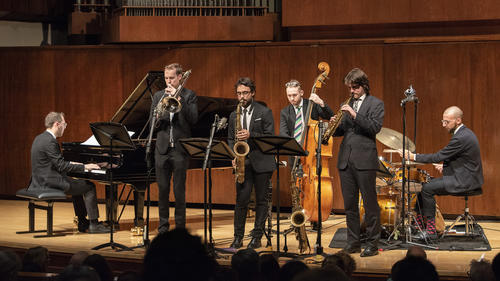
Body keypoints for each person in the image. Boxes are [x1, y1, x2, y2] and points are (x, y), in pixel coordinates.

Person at [399, 106, 483, 240]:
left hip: (465, 181)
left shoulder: (461, 137)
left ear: (458, 120)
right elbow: (463, 160)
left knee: (427, 189)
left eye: (447, 122)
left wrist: (413, 157)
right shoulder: (464, 133)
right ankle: (420, 225)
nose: (444, 125)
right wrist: (445, 167)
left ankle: (431, 231)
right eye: (442, 121)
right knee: (424, 186)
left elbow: (439, 156)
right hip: (465, 176)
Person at [328, 68, 384, 257]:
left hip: (365, 160)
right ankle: (353, 242)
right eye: (350, 88)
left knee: (370, 204)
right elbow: (341, 132)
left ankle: (372, 244)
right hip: (345, 160)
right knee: (350, 205)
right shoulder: (347, 103)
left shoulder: (376, 103)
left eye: (355, 87)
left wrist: (353, 114)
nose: (351, 91)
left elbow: (374, 127)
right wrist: (334, 124)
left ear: (364, 86)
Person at [29, 112, 109, 233]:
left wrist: (79, 164)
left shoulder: (40, 138)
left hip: (38, 181)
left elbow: (56, 162)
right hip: (50, 183)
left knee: (78, 184)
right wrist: (85, 167)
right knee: (89, 187)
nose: (65, 127)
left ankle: (82, 222)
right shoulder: (51, 141)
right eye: (64, 124)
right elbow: (61, 165)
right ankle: (94, 224)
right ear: (57, 124)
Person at [227, 77, 275, 249]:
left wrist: (251, 135)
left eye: (245, 93)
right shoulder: (234, 114)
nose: (242, 96)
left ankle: (257, 237)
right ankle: (237, 237)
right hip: (243, 162)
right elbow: (231, 138)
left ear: (253, 93)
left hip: (262, 161)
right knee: (241, 201)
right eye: (239, 93)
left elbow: (270, 137)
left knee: (261, 201)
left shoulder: (264, 112)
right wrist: (234, 154)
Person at [150, 63, 198, 233]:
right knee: (162, 190)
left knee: (179, 192)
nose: (168, 82)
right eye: (166, 78)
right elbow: (152, 124)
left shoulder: (189, 95)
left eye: (171, 78)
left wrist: (180, 100)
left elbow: (193, 119)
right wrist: (159, 112)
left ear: (180, 77)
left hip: (179, 150)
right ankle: (163, 226)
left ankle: (179, 228)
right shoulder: (157, 96)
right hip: (162, 150)